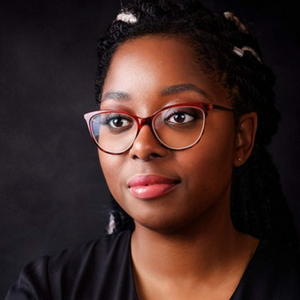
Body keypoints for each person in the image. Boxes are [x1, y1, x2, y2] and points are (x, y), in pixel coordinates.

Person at [5, 0, 300, 299]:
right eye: (118, 120)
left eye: (179, 117)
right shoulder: (49, 290)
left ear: (241, 138)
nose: (143, 146)